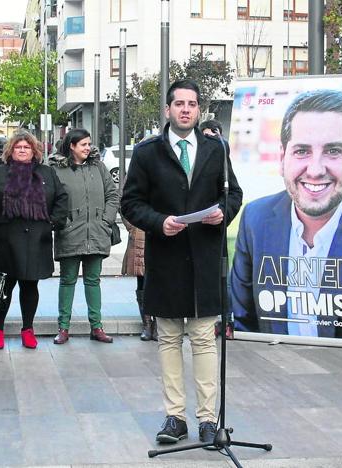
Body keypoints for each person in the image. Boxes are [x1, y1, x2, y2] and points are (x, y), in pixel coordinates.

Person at [229, 89, 342, 342]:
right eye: (302, 151)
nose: (315, 170)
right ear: (283, 157)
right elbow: (242, 320)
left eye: (333, 150)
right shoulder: (254, 219)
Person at [121, 79, 243, 446]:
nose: (186, 109)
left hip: (205, 257)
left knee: (205, 339)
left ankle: (208, 420)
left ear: (199, 109)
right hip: (167, 258)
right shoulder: (147, 153)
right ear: (168, 110)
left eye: (192, 104)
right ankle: (175, 418)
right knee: (169, 338)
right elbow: (131, 203)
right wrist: (159, 222)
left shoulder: (216, 149)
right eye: (179, 104)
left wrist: (222, 213)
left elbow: (233, 193)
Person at [0, 132, 68, 350]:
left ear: (34, 151)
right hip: (5, 240)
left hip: (37, 240)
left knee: (30, 287)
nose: (22, 150)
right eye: (18, 147)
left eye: (26, 147)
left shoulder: (47, 172)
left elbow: (61, 200)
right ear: (11, 150)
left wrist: (51, 223)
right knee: (2, 288)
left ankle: (28, 329)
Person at [49, 129, 119, 345]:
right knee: (67, 281)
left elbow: (112, 194)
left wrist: (105, 220)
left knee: (93, 281)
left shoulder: (98, 167)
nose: (88, 148)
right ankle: (63, 328)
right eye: (83, 145)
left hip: (97, 233)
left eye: (89, 144)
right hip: (70, 233)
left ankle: (96, 327)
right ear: (72, 146)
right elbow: (50, 198)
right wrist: (63, 222)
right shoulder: (57, 170)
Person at [122, 218, 154, 340]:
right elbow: (124, 204)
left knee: (158, 283)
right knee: (142, 280)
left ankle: (157, 324)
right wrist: (132, 226)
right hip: (139, 232)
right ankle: (147, 324)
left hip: (160, 232)